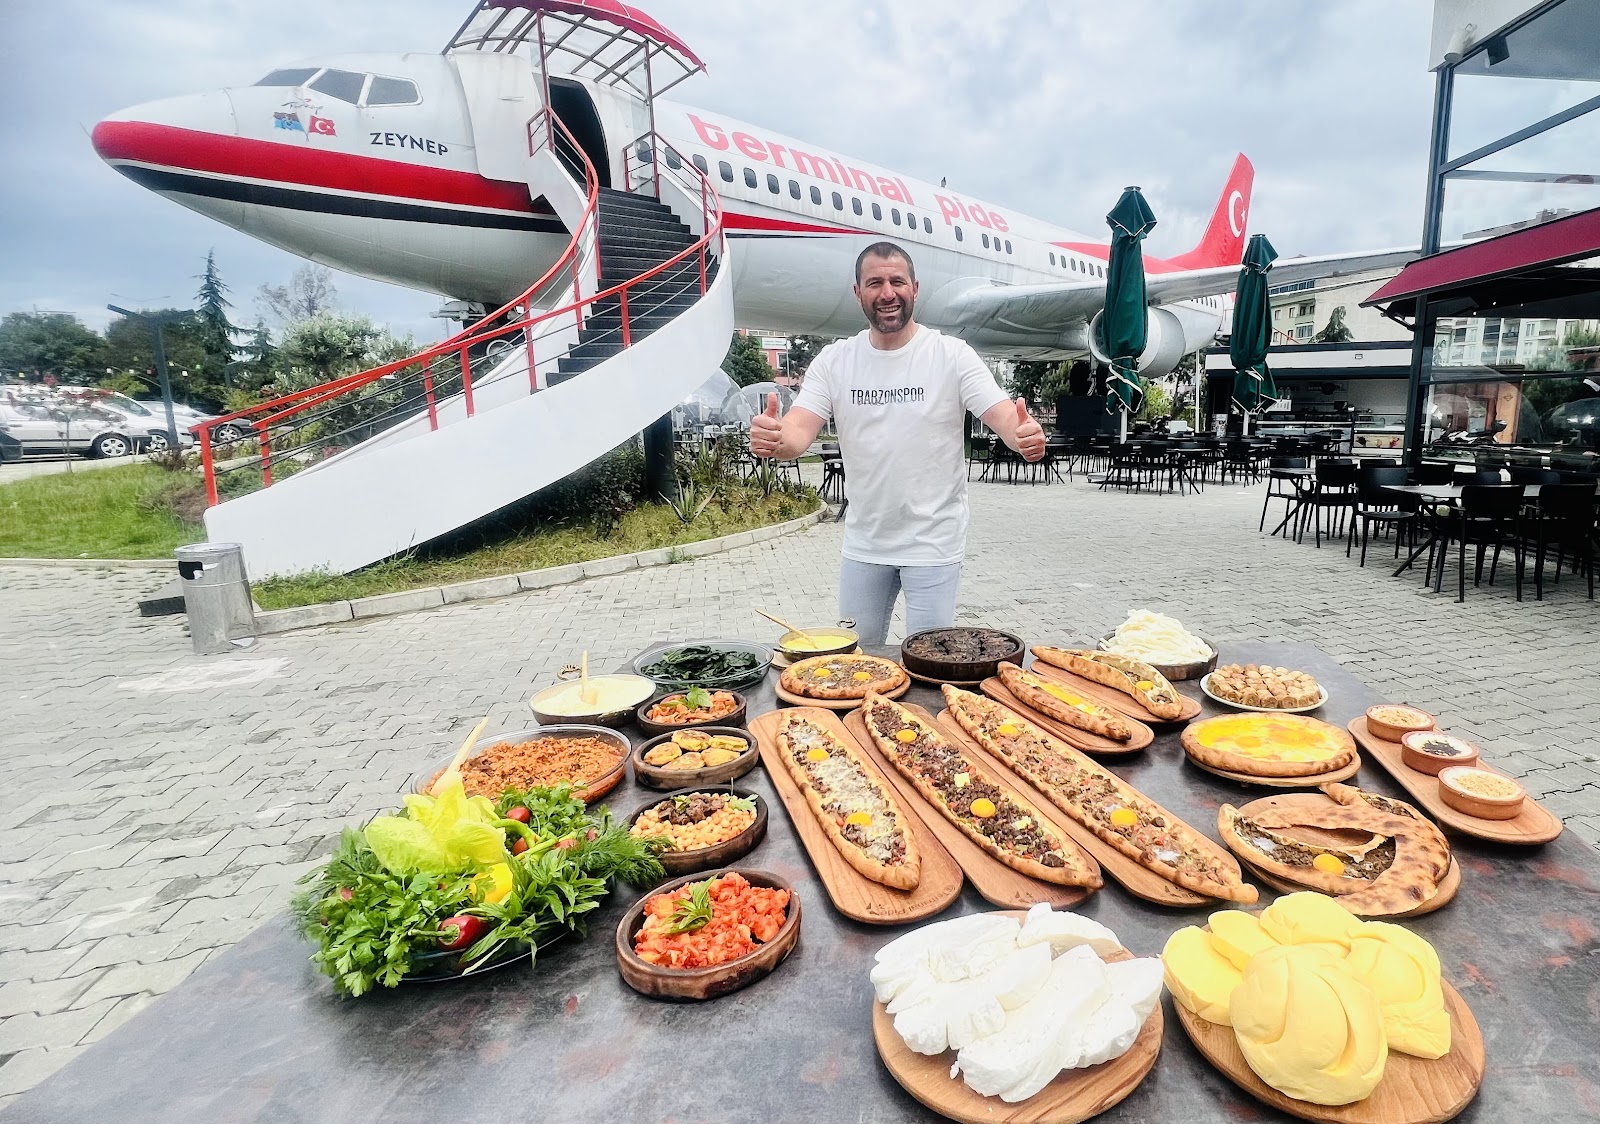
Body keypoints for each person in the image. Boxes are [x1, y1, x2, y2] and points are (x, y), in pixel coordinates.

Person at [748, 240, 1045, 645]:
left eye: (897, 282)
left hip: (933, 544)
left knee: (929, 660)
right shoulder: (835, 361)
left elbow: (1004, 415)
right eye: (875, 283)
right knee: (854, 658)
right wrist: (775, 438)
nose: (887, 293)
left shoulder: (951, 355)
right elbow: (797, 432)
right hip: (865, 543)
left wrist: (1022, 436)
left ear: (915, 289)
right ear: (858, 293)